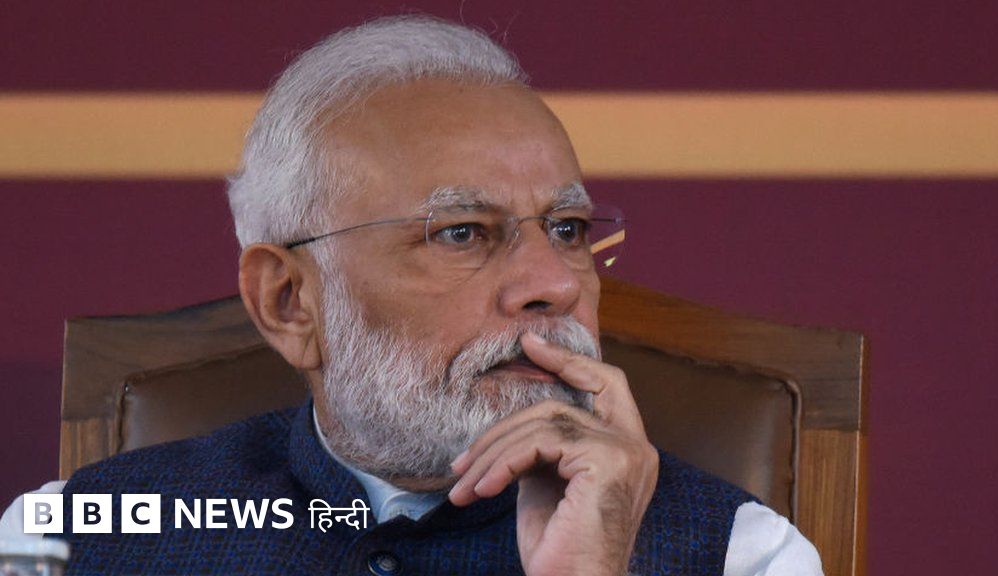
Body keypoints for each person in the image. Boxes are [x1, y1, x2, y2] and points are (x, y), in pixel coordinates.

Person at [1, 15, 822, 575]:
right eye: (462, 232)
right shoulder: (72, 537)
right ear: (290, 302)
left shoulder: (742, 555)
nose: (554, 284)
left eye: (568, 229)